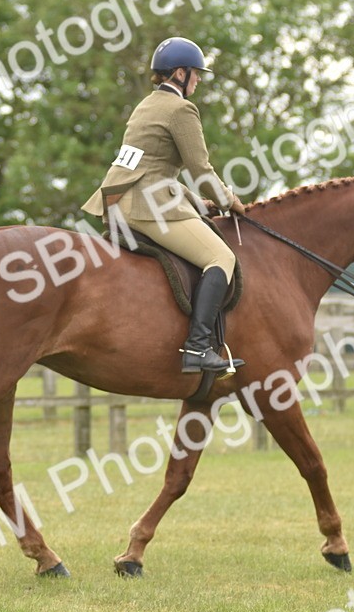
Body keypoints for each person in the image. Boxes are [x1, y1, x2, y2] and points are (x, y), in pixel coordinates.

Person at [82, 36, 245, 374]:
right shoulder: (182, 109)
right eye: (196, 73)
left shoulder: (146, 105)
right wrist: (228, 200)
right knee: (221, 257)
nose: (199, 79)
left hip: (116, 201)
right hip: (146, 207)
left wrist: (194, 201)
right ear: (181, 73)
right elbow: (201, 168)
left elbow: (151, 167)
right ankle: (199, 348)